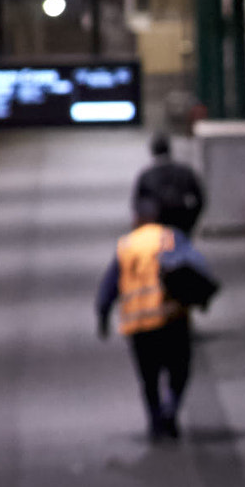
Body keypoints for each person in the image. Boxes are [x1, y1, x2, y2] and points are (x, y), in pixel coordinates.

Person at [95, 206, 218, 440]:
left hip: (138, 325)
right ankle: (171, 407)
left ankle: (155, 422)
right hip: (170, 318)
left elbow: (109, 285)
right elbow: (196, 268)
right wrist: (203, 298)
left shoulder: (126, 245)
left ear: (138, 219)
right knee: (179, 369)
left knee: (148, 378)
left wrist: (102, 315)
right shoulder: (170, 238)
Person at [131, 131, 205, 234]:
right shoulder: (185, 172)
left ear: (152, 151)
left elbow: (137, 204)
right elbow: (200, 199)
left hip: (156, 224)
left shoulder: (146, 175)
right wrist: (191, 220)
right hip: (182, 220)